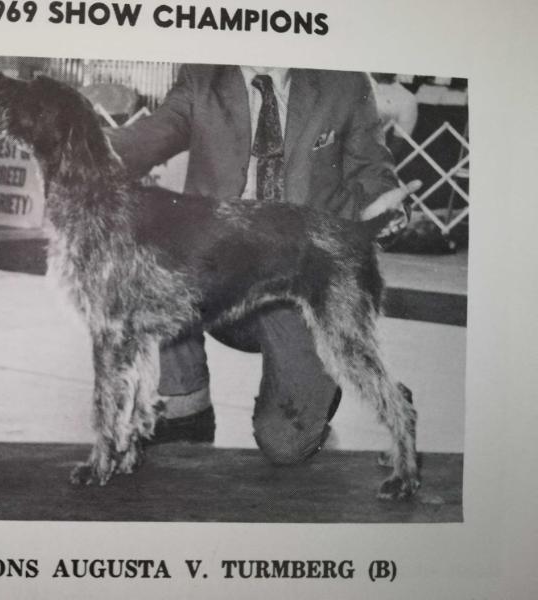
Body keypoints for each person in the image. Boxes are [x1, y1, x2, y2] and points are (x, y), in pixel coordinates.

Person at [108, 64, 419, 463]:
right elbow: (141, 140)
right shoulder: (204, 77)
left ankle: (324, 385)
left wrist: (383, 204)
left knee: (286, 445)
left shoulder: (345, 80)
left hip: (300, 282)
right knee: (156, 263)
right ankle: (185, 406)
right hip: (215, 276)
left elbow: (371, 168)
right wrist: (68, 137)